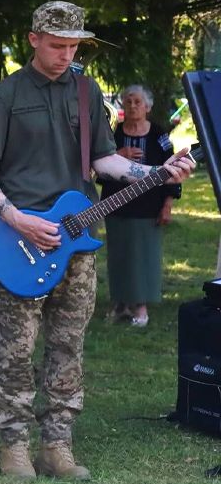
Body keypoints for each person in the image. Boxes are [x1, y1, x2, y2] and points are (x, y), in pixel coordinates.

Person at [0, 1, 194, 480]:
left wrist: (158, 172)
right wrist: (15, 219)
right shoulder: (4, 96)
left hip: (77, 240)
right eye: (57, 45)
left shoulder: (87, 93)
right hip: (21, 238)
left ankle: (57, 446)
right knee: (15, 348)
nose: (66, 55)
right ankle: (12, 446)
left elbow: (104, 162)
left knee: (68, 347)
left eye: (73, 46)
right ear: (33, 39)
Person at [101, 84, 181, 327]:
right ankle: (120, 303)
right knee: (119, 254)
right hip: (116, 204)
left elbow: (172, 168)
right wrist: (119, 155)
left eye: (137, 102)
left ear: (148, 107)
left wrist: (167, 204)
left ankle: (140, 306)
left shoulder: (158, 134)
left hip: (149, 206)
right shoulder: (113, 134)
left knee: (143, 256)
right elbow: (100, 167)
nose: (132, 106)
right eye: (128, 101)